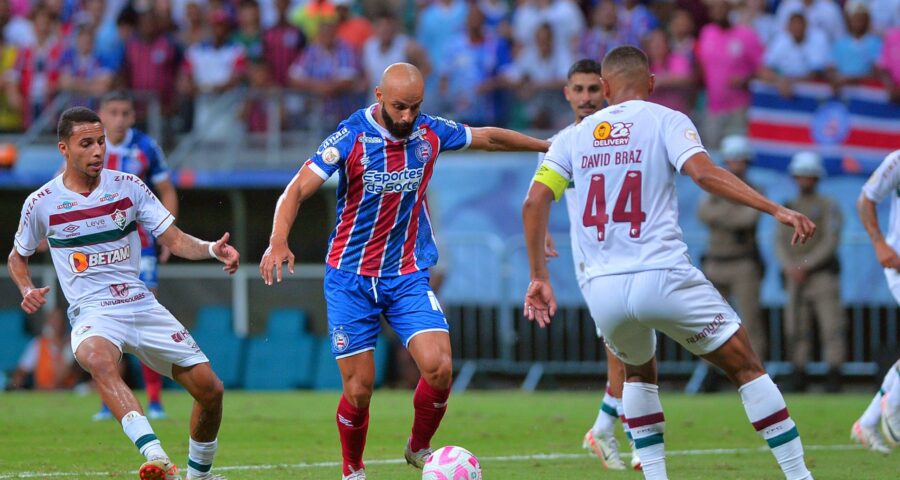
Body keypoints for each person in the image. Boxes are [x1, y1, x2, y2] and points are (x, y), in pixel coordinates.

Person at [522, 46, 816, 480]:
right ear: (652, 84)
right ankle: (799, 476)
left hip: (603, 288)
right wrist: (775, 209)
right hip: (662, 275)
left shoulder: (571, 137)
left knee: (638, 373)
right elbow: (704, 174)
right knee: (746, 367)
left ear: (604, 88)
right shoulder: (666, 119)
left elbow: (534, 202)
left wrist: (538, 275)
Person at [260, 63, 549, 480]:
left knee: (439, 367)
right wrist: (277, 240)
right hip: (350, 278)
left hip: (406, 273)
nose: (408, 117)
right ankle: (353, 469)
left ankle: (418, 447)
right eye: (399, 107)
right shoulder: (351, 136)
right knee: (358, 391)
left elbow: (487, 137)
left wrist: (546, 145)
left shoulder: (431, 132)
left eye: (415, 107)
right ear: (379, 96)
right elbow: (296, 189)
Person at [8, 106, 239, 480]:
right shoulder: (41, 203)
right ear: (64, 148)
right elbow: (17, 258)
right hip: (93, 311)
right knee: (97, 359)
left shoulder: (129, 187)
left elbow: (174, 239)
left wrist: (212, 249)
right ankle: (155, 455)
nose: (98, 151)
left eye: (100, 142)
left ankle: (199, 476)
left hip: (140, 302)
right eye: (86, 144)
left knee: (211, 390)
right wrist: (26, 286)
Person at [539, 58, 639, 471]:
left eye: (592, 90)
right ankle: (633, 434)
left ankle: (606, 428)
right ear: (567, 94)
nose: (585, 98)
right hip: (596, 267)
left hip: (635, 257)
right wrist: (540, 232)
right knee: (627, 352)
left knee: (631, 353)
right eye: (577, 90)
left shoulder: (625, 137)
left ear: (607, 90)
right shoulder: (564, 143)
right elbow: (538, 197)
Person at [90, 90, 180, 422]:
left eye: (125, 112)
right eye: (112, 112)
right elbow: (62, 186)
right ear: (101, 113)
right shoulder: (86, 144)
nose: (119, 118)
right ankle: (107, 402)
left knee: (146, 317)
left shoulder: (144, 146)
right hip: (98, 248)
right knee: (103, 321)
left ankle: (154, 401)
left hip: (140, 245)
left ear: (133, 116)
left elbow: (167, 190)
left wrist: (167, 235)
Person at [775, 151, 844, 393]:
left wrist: (805, 265)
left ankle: (834, 374)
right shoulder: (789, 207)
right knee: (795, 326)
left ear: (816, 178)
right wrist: (789, 266)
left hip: (821, 275)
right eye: (800, 175)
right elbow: (779, 242)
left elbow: (830, 241)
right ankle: (798, 371)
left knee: (831, 326)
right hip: (795, 275)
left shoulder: (828, 206)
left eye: (809, 176)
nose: (804, 180)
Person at [698, 135, 766, 360]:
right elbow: (703, 214)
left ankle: (757, 372)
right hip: (715, 261)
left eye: (740, 160)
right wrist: (733, 211)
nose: (736, 165)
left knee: (750, 322)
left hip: (743, 263)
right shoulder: (715, 187)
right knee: (711, 323)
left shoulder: (755, 189)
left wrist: (722, 214)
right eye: (732, 160)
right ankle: (714, 371)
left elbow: (748, 219)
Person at [853, 148, 900, 450]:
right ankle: (893, 406)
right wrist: (879, 243)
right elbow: (866, 199)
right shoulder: (897, 160)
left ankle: (867, 422)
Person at [9, 307, 78, 390]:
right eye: (53, 320)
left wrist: (60, 347)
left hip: (65, 391)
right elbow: (22, 370)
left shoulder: (71, 344)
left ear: (65, 323)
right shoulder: (38, 344)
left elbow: (62, 374)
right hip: (41, 392)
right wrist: (16, 383)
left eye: (59, 320)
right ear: (48, 323)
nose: (57, 324)